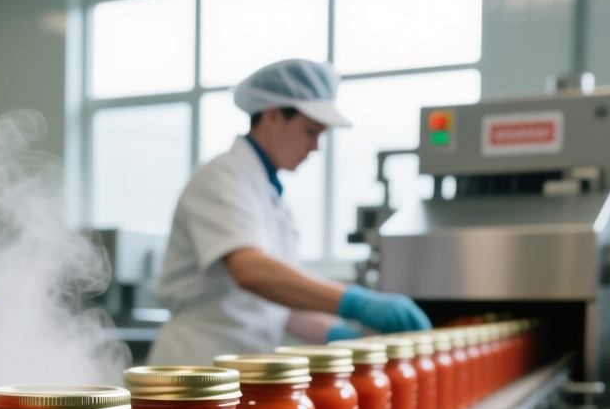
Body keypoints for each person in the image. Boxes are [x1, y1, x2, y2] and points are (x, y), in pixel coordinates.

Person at [149, 58, 430, 367]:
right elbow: (252, 271)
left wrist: (343, 337)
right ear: (272, 116)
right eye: (310, 131)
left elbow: (280, 306)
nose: (315, 147)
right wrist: (354, 301)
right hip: (197, 363)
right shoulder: (222, 177)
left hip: (241, 369)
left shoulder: (268, 194)